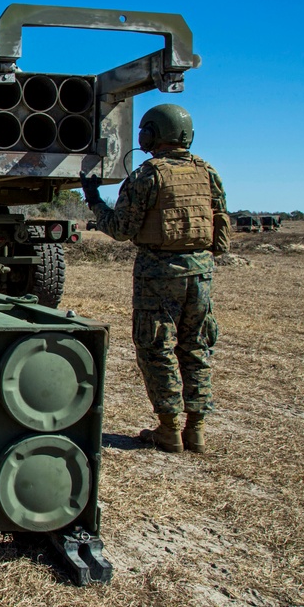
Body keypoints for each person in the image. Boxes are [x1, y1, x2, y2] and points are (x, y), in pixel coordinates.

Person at [80, 103, 230, 454]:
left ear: (152, 134)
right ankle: (197, 429)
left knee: (156, 346)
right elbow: (221, 230)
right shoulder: (208, 173)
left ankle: (169, 428)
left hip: (158, 273)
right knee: (196, 347)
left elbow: (120, 228)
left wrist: (93, 199)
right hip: (202, 273)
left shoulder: (149, 175)